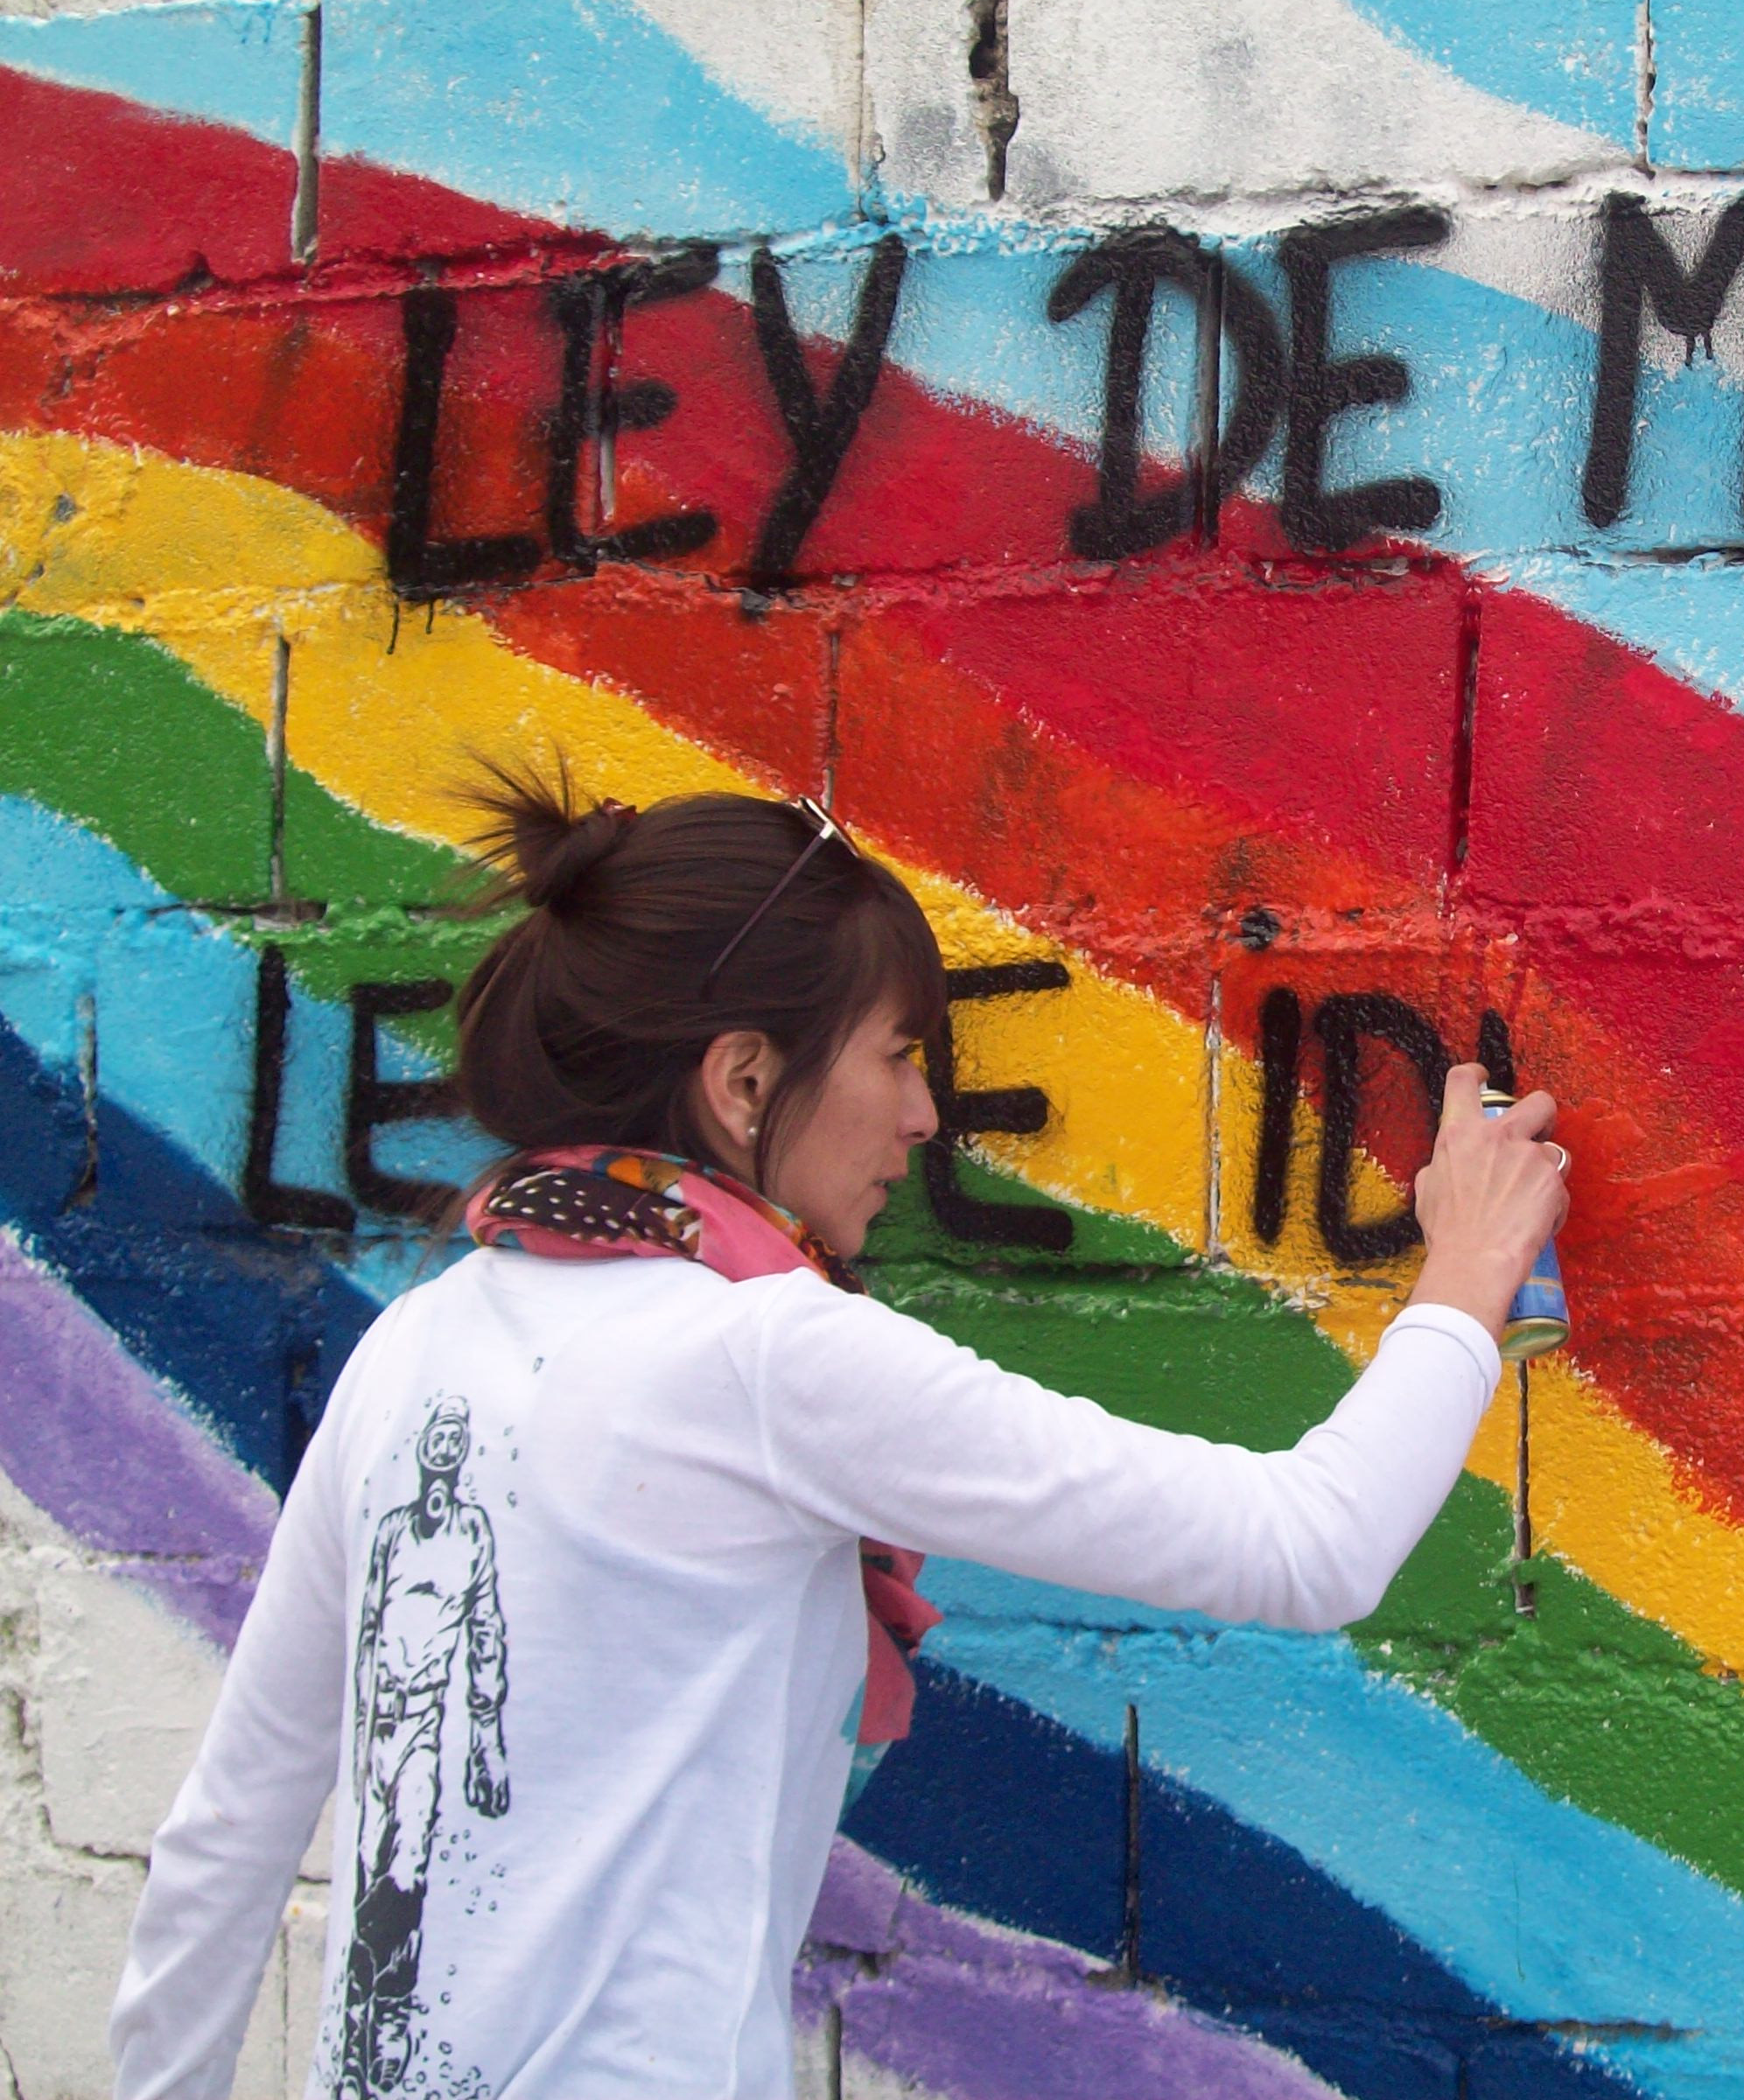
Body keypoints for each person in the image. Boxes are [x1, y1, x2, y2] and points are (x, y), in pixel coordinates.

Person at [109, 774, 1568, 2099]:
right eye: (897, 1056)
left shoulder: (414, 1345)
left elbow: (229, 1832)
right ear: (744, 1081)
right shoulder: (760, 1357)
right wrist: (1464, 1279)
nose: (927, 1115)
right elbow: (1306, 1547)